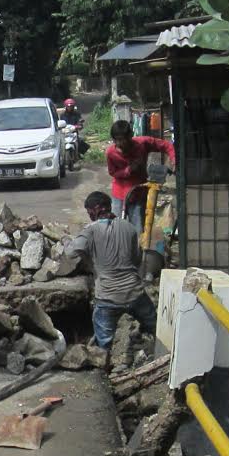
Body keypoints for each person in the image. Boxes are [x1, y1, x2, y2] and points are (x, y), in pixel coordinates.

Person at [64, 191, 156, 349]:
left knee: (104, 345)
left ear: (96, 209)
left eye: (89, 212)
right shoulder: (129, 227)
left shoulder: (90, 230)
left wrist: (65, 240)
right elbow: (136, 260)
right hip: (135, 293)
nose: (89, 216)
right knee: (155, 327)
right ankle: (157, 354)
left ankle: (104, 368)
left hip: (107, 298)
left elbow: (71, 253)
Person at [105, 120, 175, 231]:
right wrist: (128, 171)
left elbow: (166, 145)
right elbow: (112, 172)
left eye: (123, 139)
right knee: (116, 229)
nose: (121, 144)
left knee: (138, 230)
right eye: (117, 140)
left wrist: (174, 159)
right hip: (119, 194)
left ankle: (137, 248)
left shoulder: (143, 143)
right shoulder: (110, 153)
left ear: (131, 136)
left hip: (138, 194)